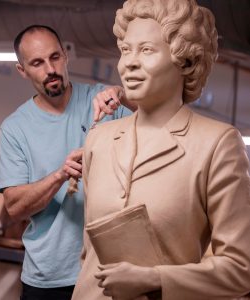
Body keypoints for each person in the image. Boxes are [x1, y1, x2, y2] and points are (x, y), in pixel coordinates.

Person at [71, 0, 250, 299]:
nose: (128, 62)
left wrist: (154, 279)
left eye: (146, 50)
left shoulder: (216, 143)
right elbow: (88, 255)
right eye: (126, 50)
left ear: (185, 61)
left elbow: (240, 269)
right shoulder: (98, 140)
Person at [0, 24, 135, 300]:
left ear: (66, 56)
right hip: (48, 277)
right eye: (37, 63)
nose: (50, 69)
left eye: (55, 57)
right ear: (23, 71)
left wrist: (123, 94)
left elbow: (158, 119)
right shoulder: (14, 129)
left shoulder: (104, 102)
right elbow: (14, 208)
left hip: (108, 270)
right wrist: (59, 175)